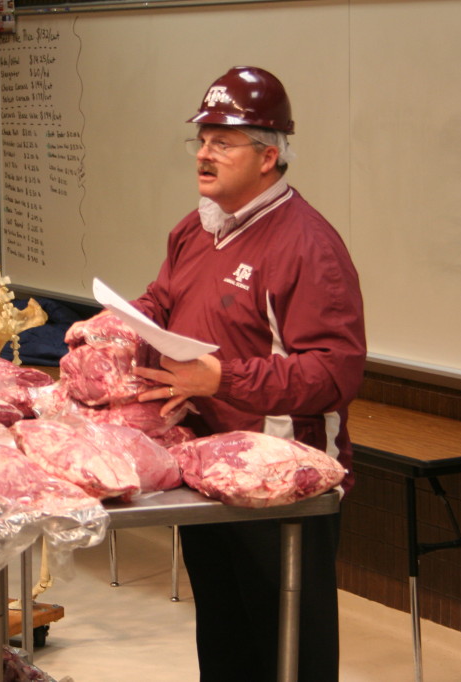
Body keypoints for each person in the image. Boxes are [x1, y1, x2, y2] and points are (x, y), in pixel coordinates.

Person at [131, 67, 367, 681]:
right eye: (202, 139)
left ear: (269, 157)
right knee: (225, 638)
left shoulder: (307, 245)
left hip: (282, 483)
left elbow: (333, 372)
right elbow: (164, 297)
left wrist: (222, 379)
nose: (204, 154)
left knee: (286, 652)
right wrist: (128, 320)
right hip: (207, 468)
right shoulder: (196, 226)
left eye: (222, 142)